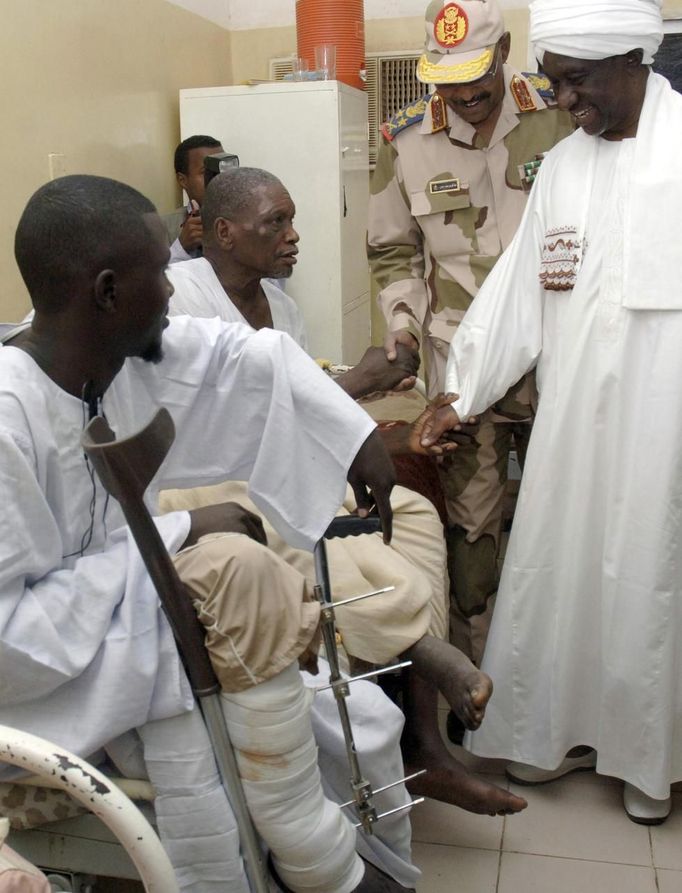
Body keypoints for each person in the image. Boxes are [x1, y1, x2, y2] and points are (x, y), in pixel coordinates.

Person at [0, 173, 423, 892]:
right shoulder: (10, 418)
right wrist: (182, 531)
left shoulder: (108, 361)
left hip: (111, 632)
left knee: (350, 714)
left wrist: (354, 434)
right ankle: (319, 867)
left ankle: (321, 856)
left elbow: (246, 357)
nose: (175, 291)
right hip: (38, 687)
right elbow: (10, 638)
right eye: (161, 274)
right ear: (106, 293)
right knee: (237, 573)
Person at [166, 166, 528, 818]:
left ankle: (423, 740)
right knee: (303, 523)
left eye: (292, 218)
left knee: (411, 510)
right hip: (207, 479)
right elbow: (222, 418)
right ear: (223, 231)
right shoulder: (179, 296)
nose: (293, 235)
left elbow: (299, 411)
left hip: (282, 465)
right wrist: (356, 383)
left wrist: (371, 432)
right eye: (275, 222)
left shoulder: (284, 307)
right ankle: (425, 648)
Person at [421, 0, 681, 827]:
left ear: (634, 62)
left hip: (661, 427)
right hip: (572, 427)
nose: (566, 100)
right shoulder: (563, 168)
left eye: (579, 81)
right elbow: (514, 301)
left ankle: (650, 759)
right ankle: (549, 730)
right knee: (560, 565)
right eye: (557, 82)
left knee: (650, 578)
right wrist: (458, 390)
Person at [367, 0, 574, 670]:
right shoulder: (404, 140)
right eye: (446, 79)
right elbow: (392, 251)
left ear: (505, 50)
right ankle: (477, 683)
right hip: (463, 368)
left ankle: (555, 678)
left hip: (558, 357)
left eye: (474, 77)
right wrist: (401, 326)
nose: (461, 94)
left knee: (562, 523)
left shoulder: (560, 116)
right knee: (471, 529)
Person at [165, 134, 223, 263]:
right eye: (206, 172)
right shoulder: (164, 228)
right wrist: (182, 247)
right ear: (183, 180)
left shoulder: (249, 220)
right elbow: (154, 279)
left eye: (220, 169)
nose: (217, 178)